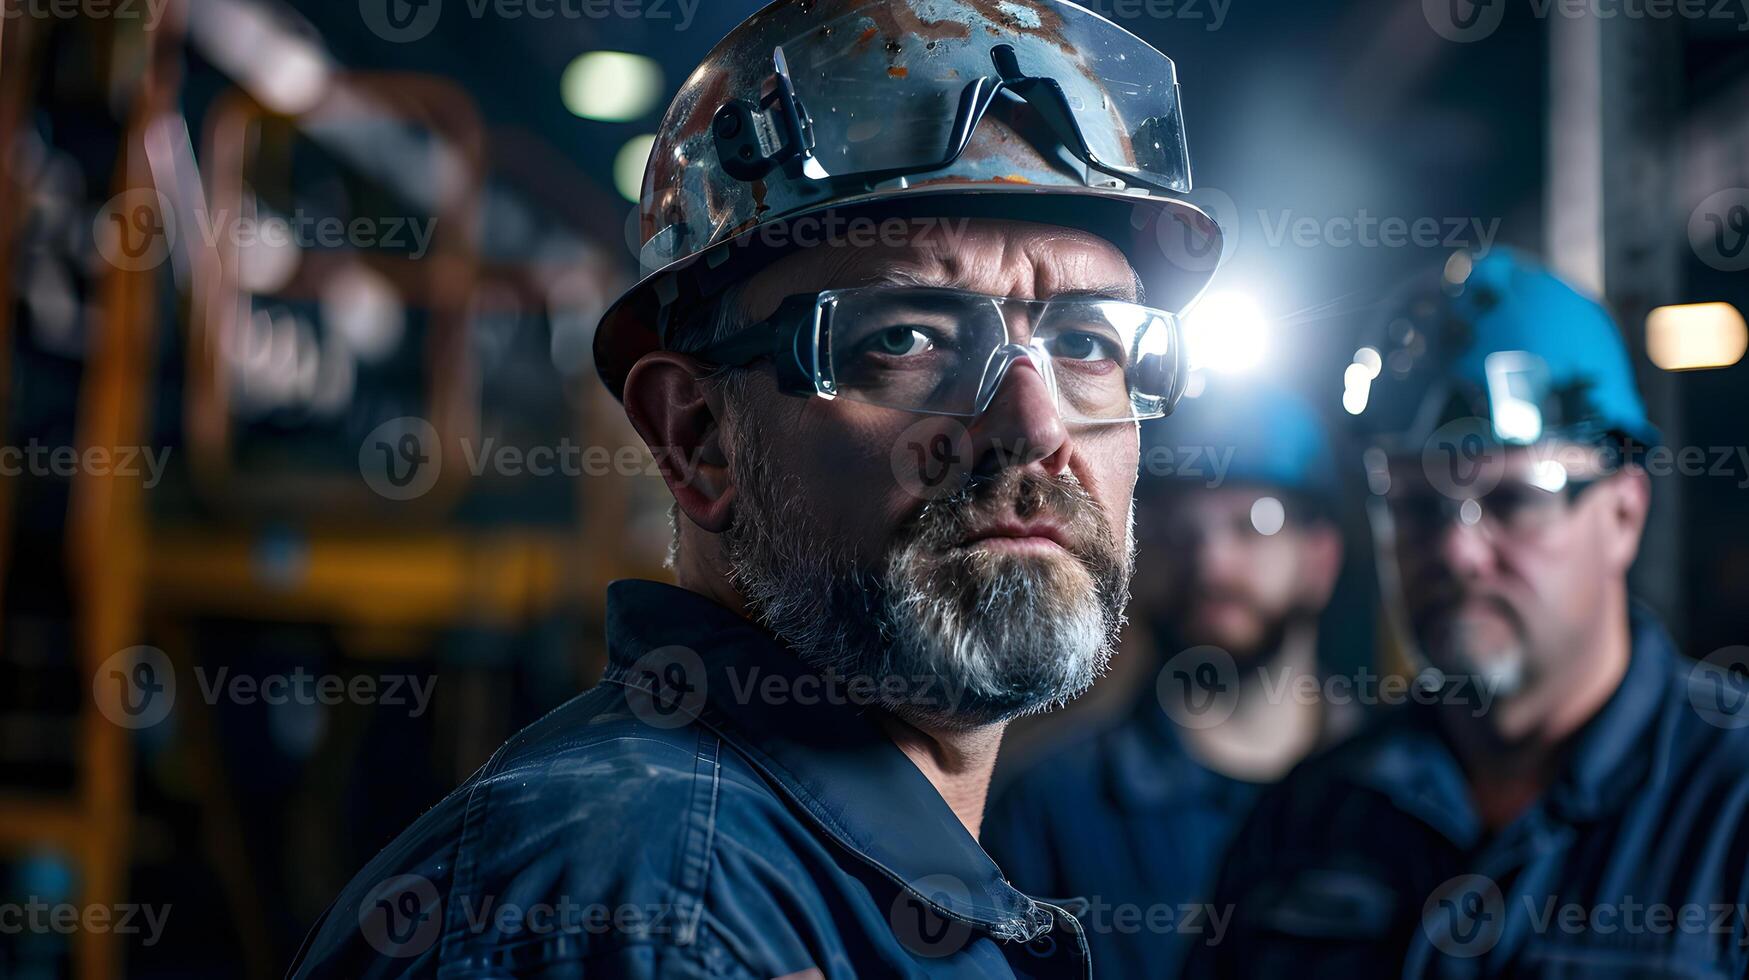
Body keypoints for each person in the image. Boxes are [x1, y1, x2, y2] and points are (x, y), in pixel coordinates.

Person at [289, 0, 1227, 976]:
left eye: (1085, 344)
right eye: (905, 339)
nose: (1035, 431)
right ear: (698, 437)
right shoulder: (654, 912)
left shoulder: (822, 885)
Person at [1190, 249, 1749, 978]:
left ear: (1621, 512)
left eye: (1513, 501)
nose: (1456, 553)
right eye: (1418, 509)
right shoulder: (1308, 822)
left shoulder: (1729, 811)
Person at [983, 381, 1350, 980]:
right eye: (1179, 528)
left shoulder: (1409, 794)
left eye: (1255, 522)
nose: (1211, 563)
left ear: (1321, 558)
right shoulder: (1050, 811)